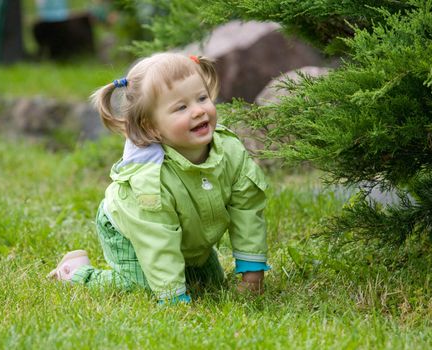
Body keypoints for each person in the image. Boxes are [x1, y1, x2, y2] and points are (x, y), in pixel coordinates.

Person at [48, 52, 270, 303]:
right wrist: (174, 299)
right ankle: (76, 273)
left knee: (209, 284)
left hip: (189, 231)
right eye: (181, 107)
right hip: (133, 230)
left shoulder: (229, 151)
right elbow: (157, 241)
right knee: (146, 287)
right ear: (151, 126)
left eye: (202, 98)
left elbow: (248, 210)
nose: (198, 111)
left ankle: (187, 266)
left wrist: (253, 276)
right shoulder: (150, 180)